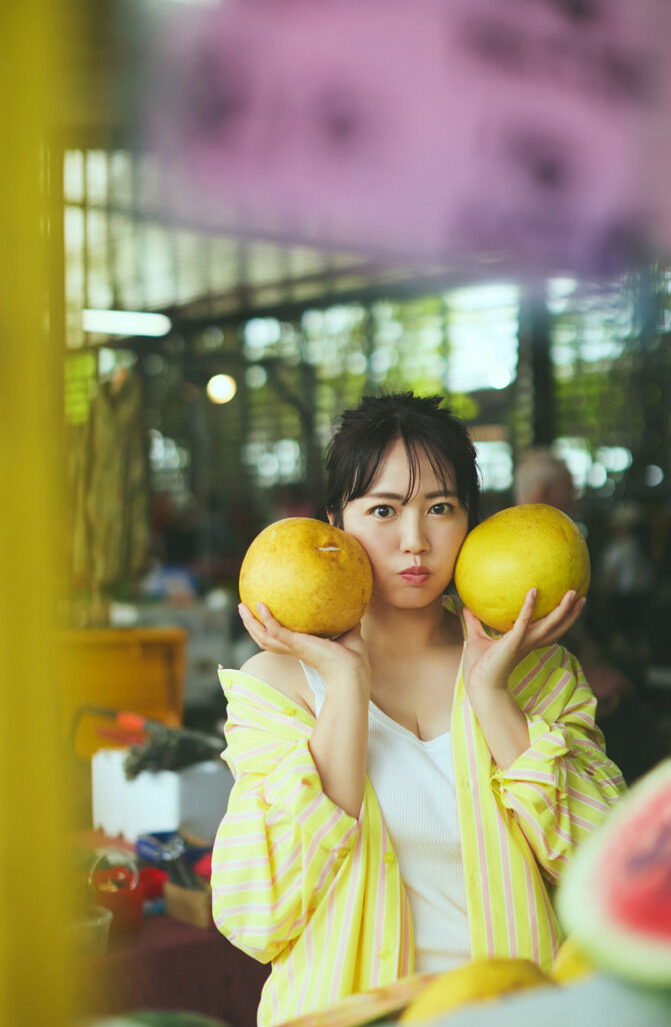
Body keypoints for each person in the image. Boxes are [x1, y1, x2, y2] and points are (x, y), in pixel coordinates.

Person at [212, 393, 626, 1027]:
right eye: (383, 510)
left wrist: (492, 693)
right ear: (335, 522)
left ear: (471, 522)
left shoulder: (538, 674)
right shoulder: (277, 688)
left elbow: (609, 876)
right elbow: (257, 915)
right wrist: (344, 685)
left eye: (440, 508)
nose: (415, 542)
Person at [514, 447, 661, 782]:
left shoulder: (555, 540)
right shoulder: (523, 549)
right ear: (544, 493)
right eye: (570, 489)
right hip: (541, 683)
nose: (577, 499)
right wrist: (583, 674)